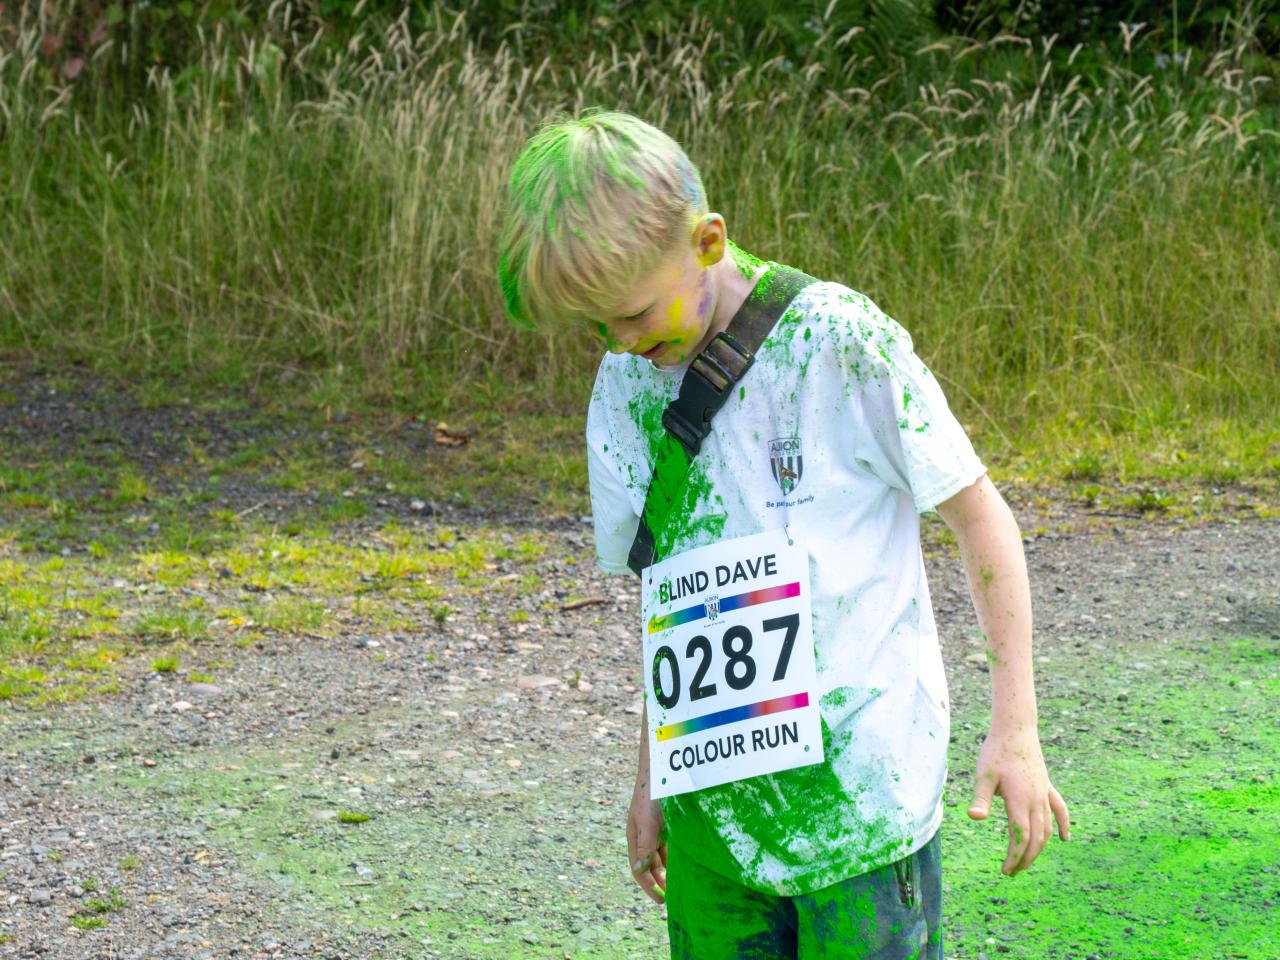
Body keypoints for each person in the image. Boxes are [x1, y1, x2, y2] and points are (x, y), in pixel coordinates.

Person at [497, 109, 1070, 959]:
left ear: (707, 241)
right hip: (714, 828)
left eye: (636, 313)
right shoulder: (625, 387)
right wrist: (652, 772)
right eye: (598, 327)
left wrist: (1015, 729)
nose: (622, 343)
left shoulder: (838, 342)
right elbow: (674, 595)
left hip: (861, 810)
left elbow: (981, 519)